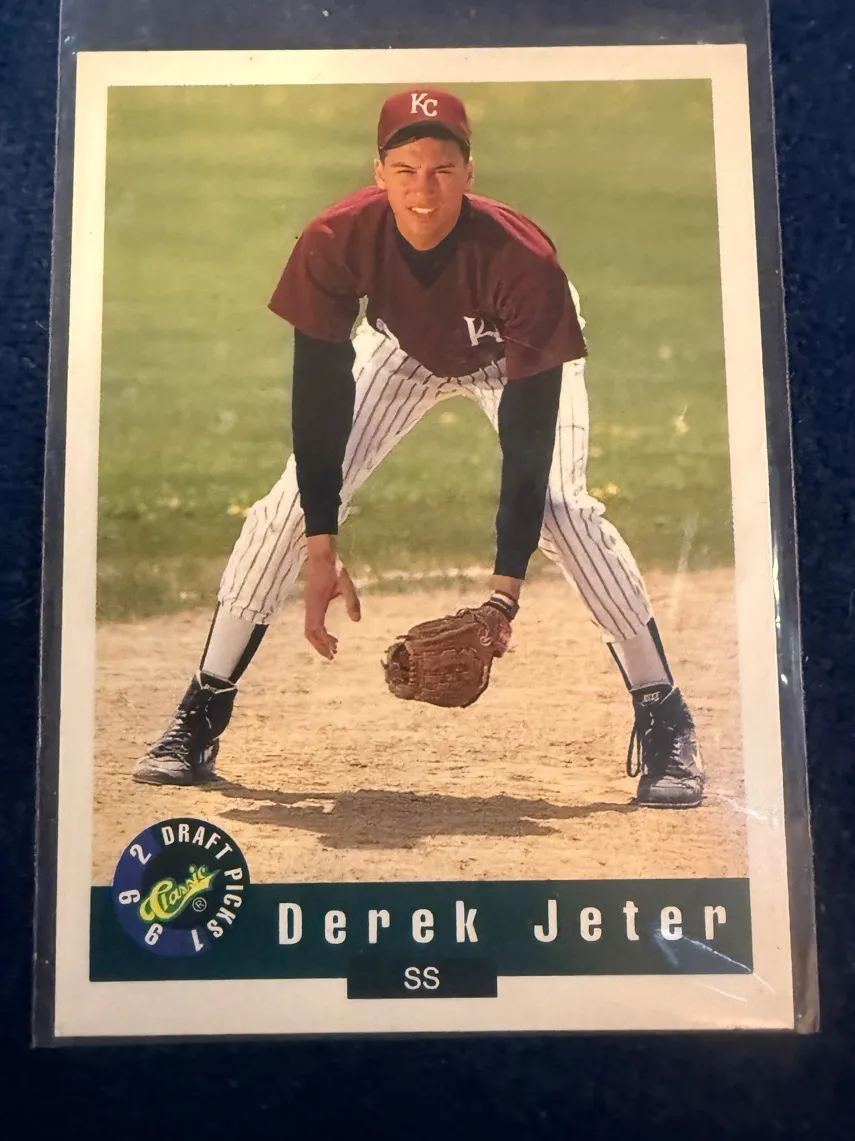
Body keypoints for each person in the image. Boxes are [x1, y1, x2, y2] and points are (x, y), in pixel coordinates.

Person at [132, 87, 704, 808]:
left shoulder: (524, 261)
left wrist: (502, 597)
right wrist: (320, 543)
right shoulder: (335, 239)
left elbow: (528, 442)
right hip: (402, 351)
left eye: (441, 169)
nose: (423, 189)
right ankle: (201, 710)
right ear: (378, 172)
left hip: (512, 358)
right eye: (404, 170)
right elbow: (319, 396)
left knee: (561, 507)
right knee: (288, 508)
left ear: (469, 172)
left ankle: (664, 715)